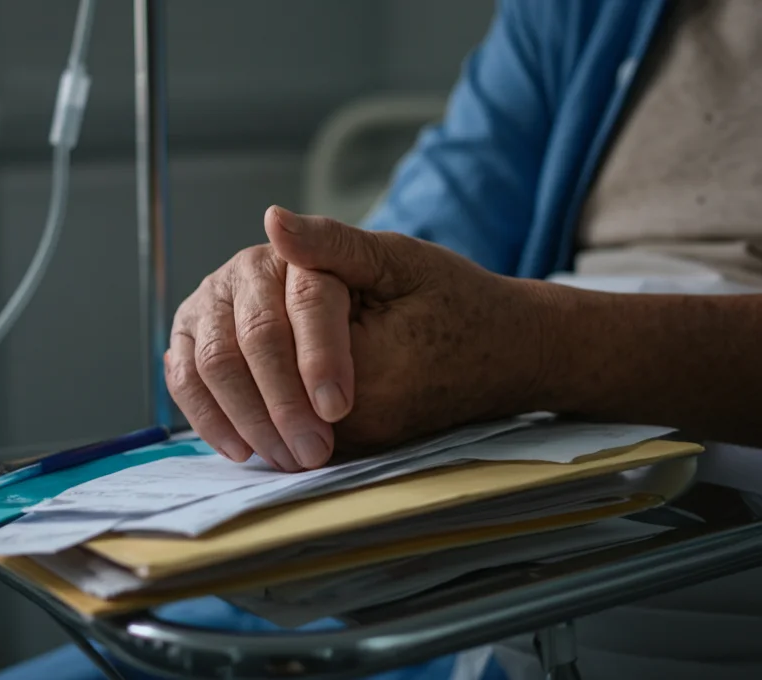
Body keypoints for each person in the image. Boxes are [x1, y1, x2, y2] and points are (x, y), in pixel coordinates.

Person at [164, 0, 762, 679]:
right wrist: (298, 302)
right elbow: (424, 227)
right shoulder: (577, 14)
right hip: (439, 563)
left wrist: (534, 346)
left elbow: (504, 335)